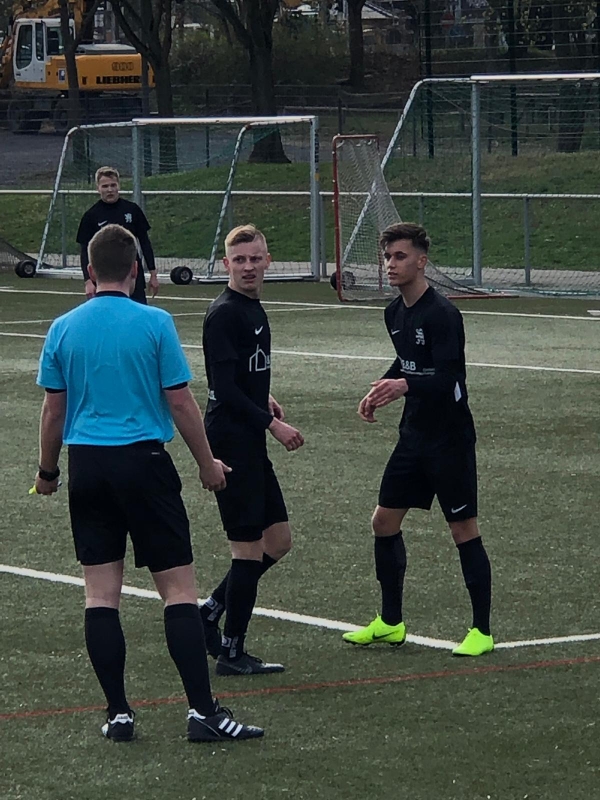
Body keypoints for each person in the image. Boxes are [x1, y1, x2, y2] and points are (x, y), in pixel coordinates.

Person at [34, 223, 263, 743]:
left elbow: (53, 411)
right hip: (145, 463)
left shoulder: (63, 327)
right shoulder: (155, 322)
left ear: (89, 270)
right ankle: (202, 713)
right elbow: (180, 402)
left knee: (100, 595)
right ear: (136, 270)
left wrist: (48, 472)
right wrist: (207, 464)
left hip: (88, 467)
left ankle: (118, 713)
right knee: (178, 590)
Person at [342, 222, 493, 658]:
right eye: (387, 257)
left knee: (463, 529)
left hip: (449, 440)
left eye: (400, 256)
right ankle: (391, 623)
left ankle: (481, 630)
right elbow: (407, 361)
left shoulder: (443, 314)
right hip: (413, 439)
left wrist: (404, 385)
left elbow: (449, 379)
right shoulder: (394, 313)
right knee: (383, 522)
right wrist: (382, 387)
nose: (391, 264)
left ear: (422, 261)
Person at [199, 224, 304, 676]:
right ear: (227, 264)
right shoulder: (224, 314)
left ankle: (210, 610)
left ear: (267, 261)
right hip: (230, 441)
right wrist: (272, 423)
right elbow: (222, 388)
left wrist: (263, 396)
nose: (248, 267)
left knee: (277, 542)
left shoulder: (252, 308)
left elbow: (241, 375)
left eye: (255, 259)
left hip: (249, 437)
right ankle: (232, 651)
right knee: (246, 550)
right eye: (239, 260)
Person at [76, 166, 160, 304]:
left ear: (118, 186)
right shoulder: (91, 216)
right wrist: (88, 281)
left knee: (137, 312)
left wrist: (153, 274)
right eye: (105, 186)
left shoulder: (132, 210)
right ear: (98, 188)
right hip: (104, 279)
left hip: (132, 277)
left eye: (113, 185)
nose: (110, 189)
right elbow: (84, 251)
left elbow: (145, 242)